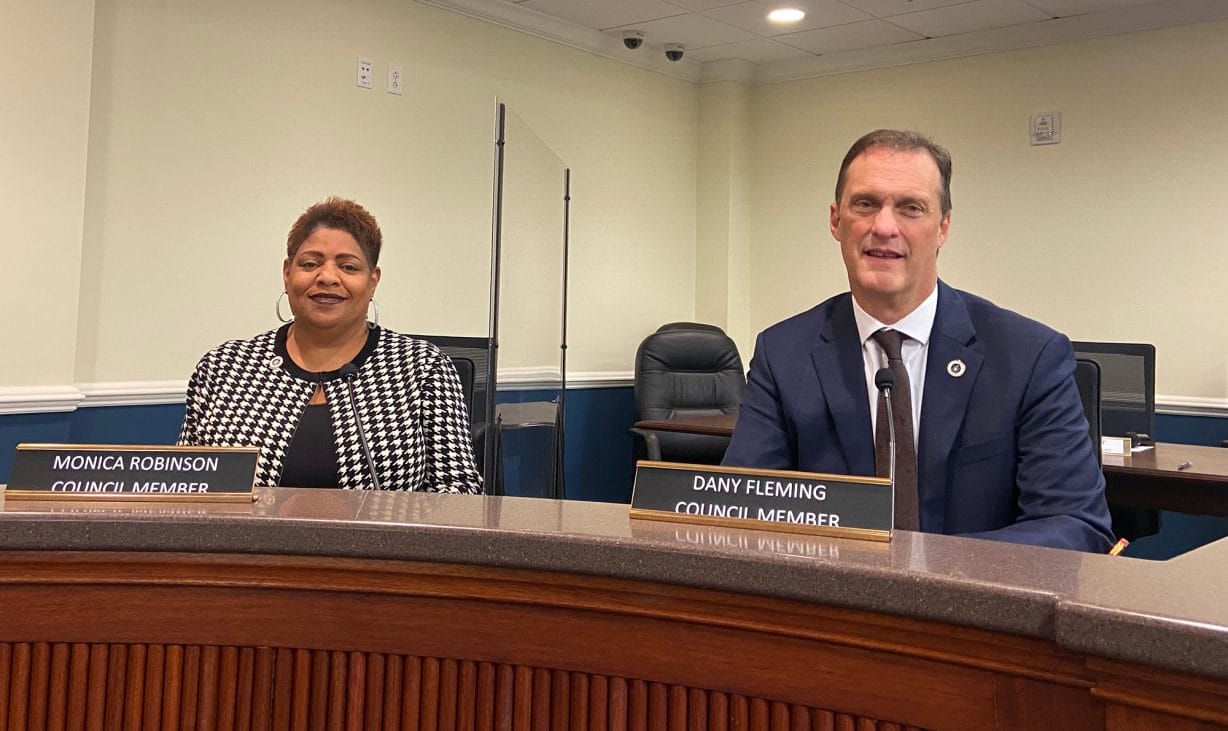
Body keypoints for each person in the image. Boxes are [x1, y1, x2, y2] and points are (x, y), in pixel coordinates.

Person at [723, 130, 1113, 552]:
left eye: (911, 208)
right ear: (836, 220)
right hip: (830, 606)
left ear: (943, 226)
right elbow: (741, 511)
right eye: (865, 204)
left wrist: (930, 572)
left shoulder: (1028, 357)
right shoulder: (784, 354)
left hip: (976, 610)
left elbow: (1074, 525)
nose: (884, 227)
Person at [178, 197, 482, 493]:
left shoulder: (422, 369)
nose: (327, 277)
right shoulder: (224, 367)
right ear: (287, 274)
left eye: (348, 267)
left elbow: (458, 493)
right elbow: (182, 487)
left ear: (372, 282)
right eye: (310, 264)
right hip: (238, 545)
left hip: (379, 545)